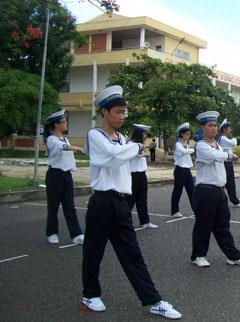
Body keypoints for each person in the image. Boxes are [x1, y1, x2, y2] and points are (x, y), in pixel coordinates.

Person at [81, 85, 181, 319]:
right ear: (104, 112)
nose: (121, 116)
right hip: (102, 201)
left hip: (121, 202)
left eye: (124, 112)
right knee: (93, 251)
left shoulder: (122, 138)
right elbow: (113, 158)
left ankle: (153, 300)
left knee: (132, 253)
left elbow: (122, 158)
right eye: (117, 111)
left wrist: (130, 147)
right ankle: (90, 293)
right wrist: (135, 147)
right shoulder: (95, 135)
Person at [191, 111, 240, 268]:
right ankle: (198, 255)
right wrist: (229, 155)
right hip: (205, 191)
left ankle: (233, 256)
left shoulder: (217, 145)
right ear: (203, 127)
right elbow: (215, 156)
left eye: (215, 125)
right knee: (203, 225)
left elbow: (220, 155)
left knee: (222, 226)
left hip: (218, 191)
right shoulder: (201, 145)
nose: (213, 128)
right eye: (210, 126)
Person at [43, 110, 85, 245]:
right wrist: (79, 149)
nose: (66, 123)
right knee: (53, 206)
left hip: (67, 175)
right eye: (63, 122)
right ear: (56, 125)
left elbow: (67, 149)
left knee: (70, 206)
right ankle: (52, 233)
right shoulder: (51, 139)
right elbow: (63, 147)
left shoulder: (65, 138)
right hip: (54, 175)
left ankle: (76, 234)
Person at [126, 124, 158, 229]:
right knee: (130, 199)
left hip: (141, 173)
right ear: (139, 134)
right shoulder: (130, 144)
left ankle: (145, 221)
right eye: (144, 133)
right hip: (132, 174)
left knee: (142, 198)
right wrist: (142, 154)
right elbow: (133, 155)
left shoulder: (140, 144)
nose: (145, 136)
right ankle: (125, 222)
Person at [218, 119, 240, 208]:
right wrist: (234, 138)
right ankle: (232, 200)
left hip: (227, 163)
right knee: (228, 183)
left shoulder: (223, 139)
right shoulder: (223, 138)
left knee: (229, 183)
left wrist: (234, 155)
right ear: (224, 130)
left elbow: (228, 150)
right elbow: (234, 143)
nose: (231, 130)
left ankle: (234, 200)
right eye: (229, 128)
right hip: (225, 163)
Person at [171, 122, 195, 218]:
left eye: (189, 134)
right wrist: (194, 149)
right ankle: (174, 211)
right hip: (179, 170)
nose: (189, 136)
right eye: (187, 134)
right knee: (178, 191)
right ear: (182, 134)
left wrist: (191, 149)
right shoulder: (178, 144)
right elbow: (184, 152)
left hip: (187, 170)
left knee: (192, 191)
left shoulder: (186, 144)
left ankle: (196, 210)